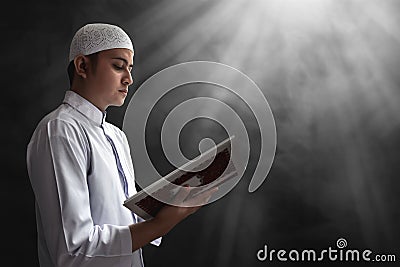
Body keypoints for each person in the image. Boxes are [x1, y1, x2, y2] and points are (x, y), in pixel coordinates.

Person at [26, 23, 216, 267]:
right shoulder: (60, 130)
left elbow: (124, 222)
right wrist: (161, 224)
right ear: (82, 66)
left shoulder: (116, 137)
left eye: (130, 68)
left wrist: (166, 205)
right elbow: (73, 251)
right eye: (118, 66)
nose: (129, 79)